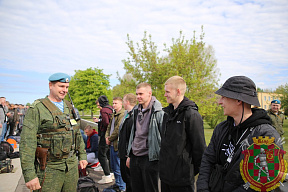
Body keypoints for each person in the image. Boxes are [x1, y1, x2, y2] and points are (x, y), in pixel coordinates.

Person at [196, 76, 282, 192]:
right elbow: (207, 160)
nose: (219, 102)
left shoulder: (266, 135)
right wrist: (202, 189)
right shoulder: (222, 128)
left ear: (238, 100)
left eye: (223, 97)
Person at [20, 72, 88, 192]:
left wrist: (82, 155)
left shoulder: (69, 107)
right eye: (61, 86)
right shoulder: (37, 109)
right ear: (50, 85)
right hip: (49, 169)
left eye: (67, 87)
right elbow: (27, 142)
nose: (65, 90)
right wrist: (29, 175)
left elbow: (77, 134)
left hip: (71, 167)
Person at [159, 76, 206, 192]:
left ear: (178, 91)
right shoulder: (166, 114)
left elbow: (199, 148)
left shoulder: (191, 115)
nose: (165, 95)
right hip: (165, 178)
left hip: (182, 180)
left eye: (167, 92)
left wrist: (188, 171)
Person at [126, 82, 164, 192]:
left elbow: (163, 137)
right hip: (135, 156)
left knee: (150, 189)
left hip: (150, 158)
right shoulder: (135, 111)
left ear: (149, 93)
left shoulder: (158, 112)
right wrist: (129, 155)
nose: (138, 97)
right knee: (136, 188)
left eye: (141, 94)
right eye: (137, 94)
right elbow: (133, 134)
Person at [105, 97, 125, 191]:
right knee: (113, 167)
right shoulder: (114, 114)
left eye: (116, 103)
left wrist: (110, 139)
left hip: (117, 145)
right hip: (112, 144)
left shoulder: (122, 114)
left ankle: (122, 187)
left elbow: (118, 130)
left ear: (121, 104)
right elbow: (109, 127)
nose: (114, 105)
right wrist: (106, 137)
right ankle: (117, 184)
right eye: (113, 103)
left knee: (118, 167)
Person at [118, 93, 137, 192]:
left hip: (127, 154)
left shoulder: (134, 117)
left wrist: (129, 155)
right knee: (126, 178)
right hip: (123, 152)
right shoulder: (127, 115)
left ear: (127, 102)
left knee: (130, 180)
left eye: (124, 101)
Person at [93, 95, 114, 183]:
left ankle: (107, 175)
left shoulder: (104, 110)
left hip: (105, 135)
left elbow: (106, 122)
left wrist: (101, 124)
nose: (98, 106)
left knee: (101, 154)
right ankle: (111, 172)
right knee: (108, 154)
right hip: (110, 135)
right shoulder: (110, 108)